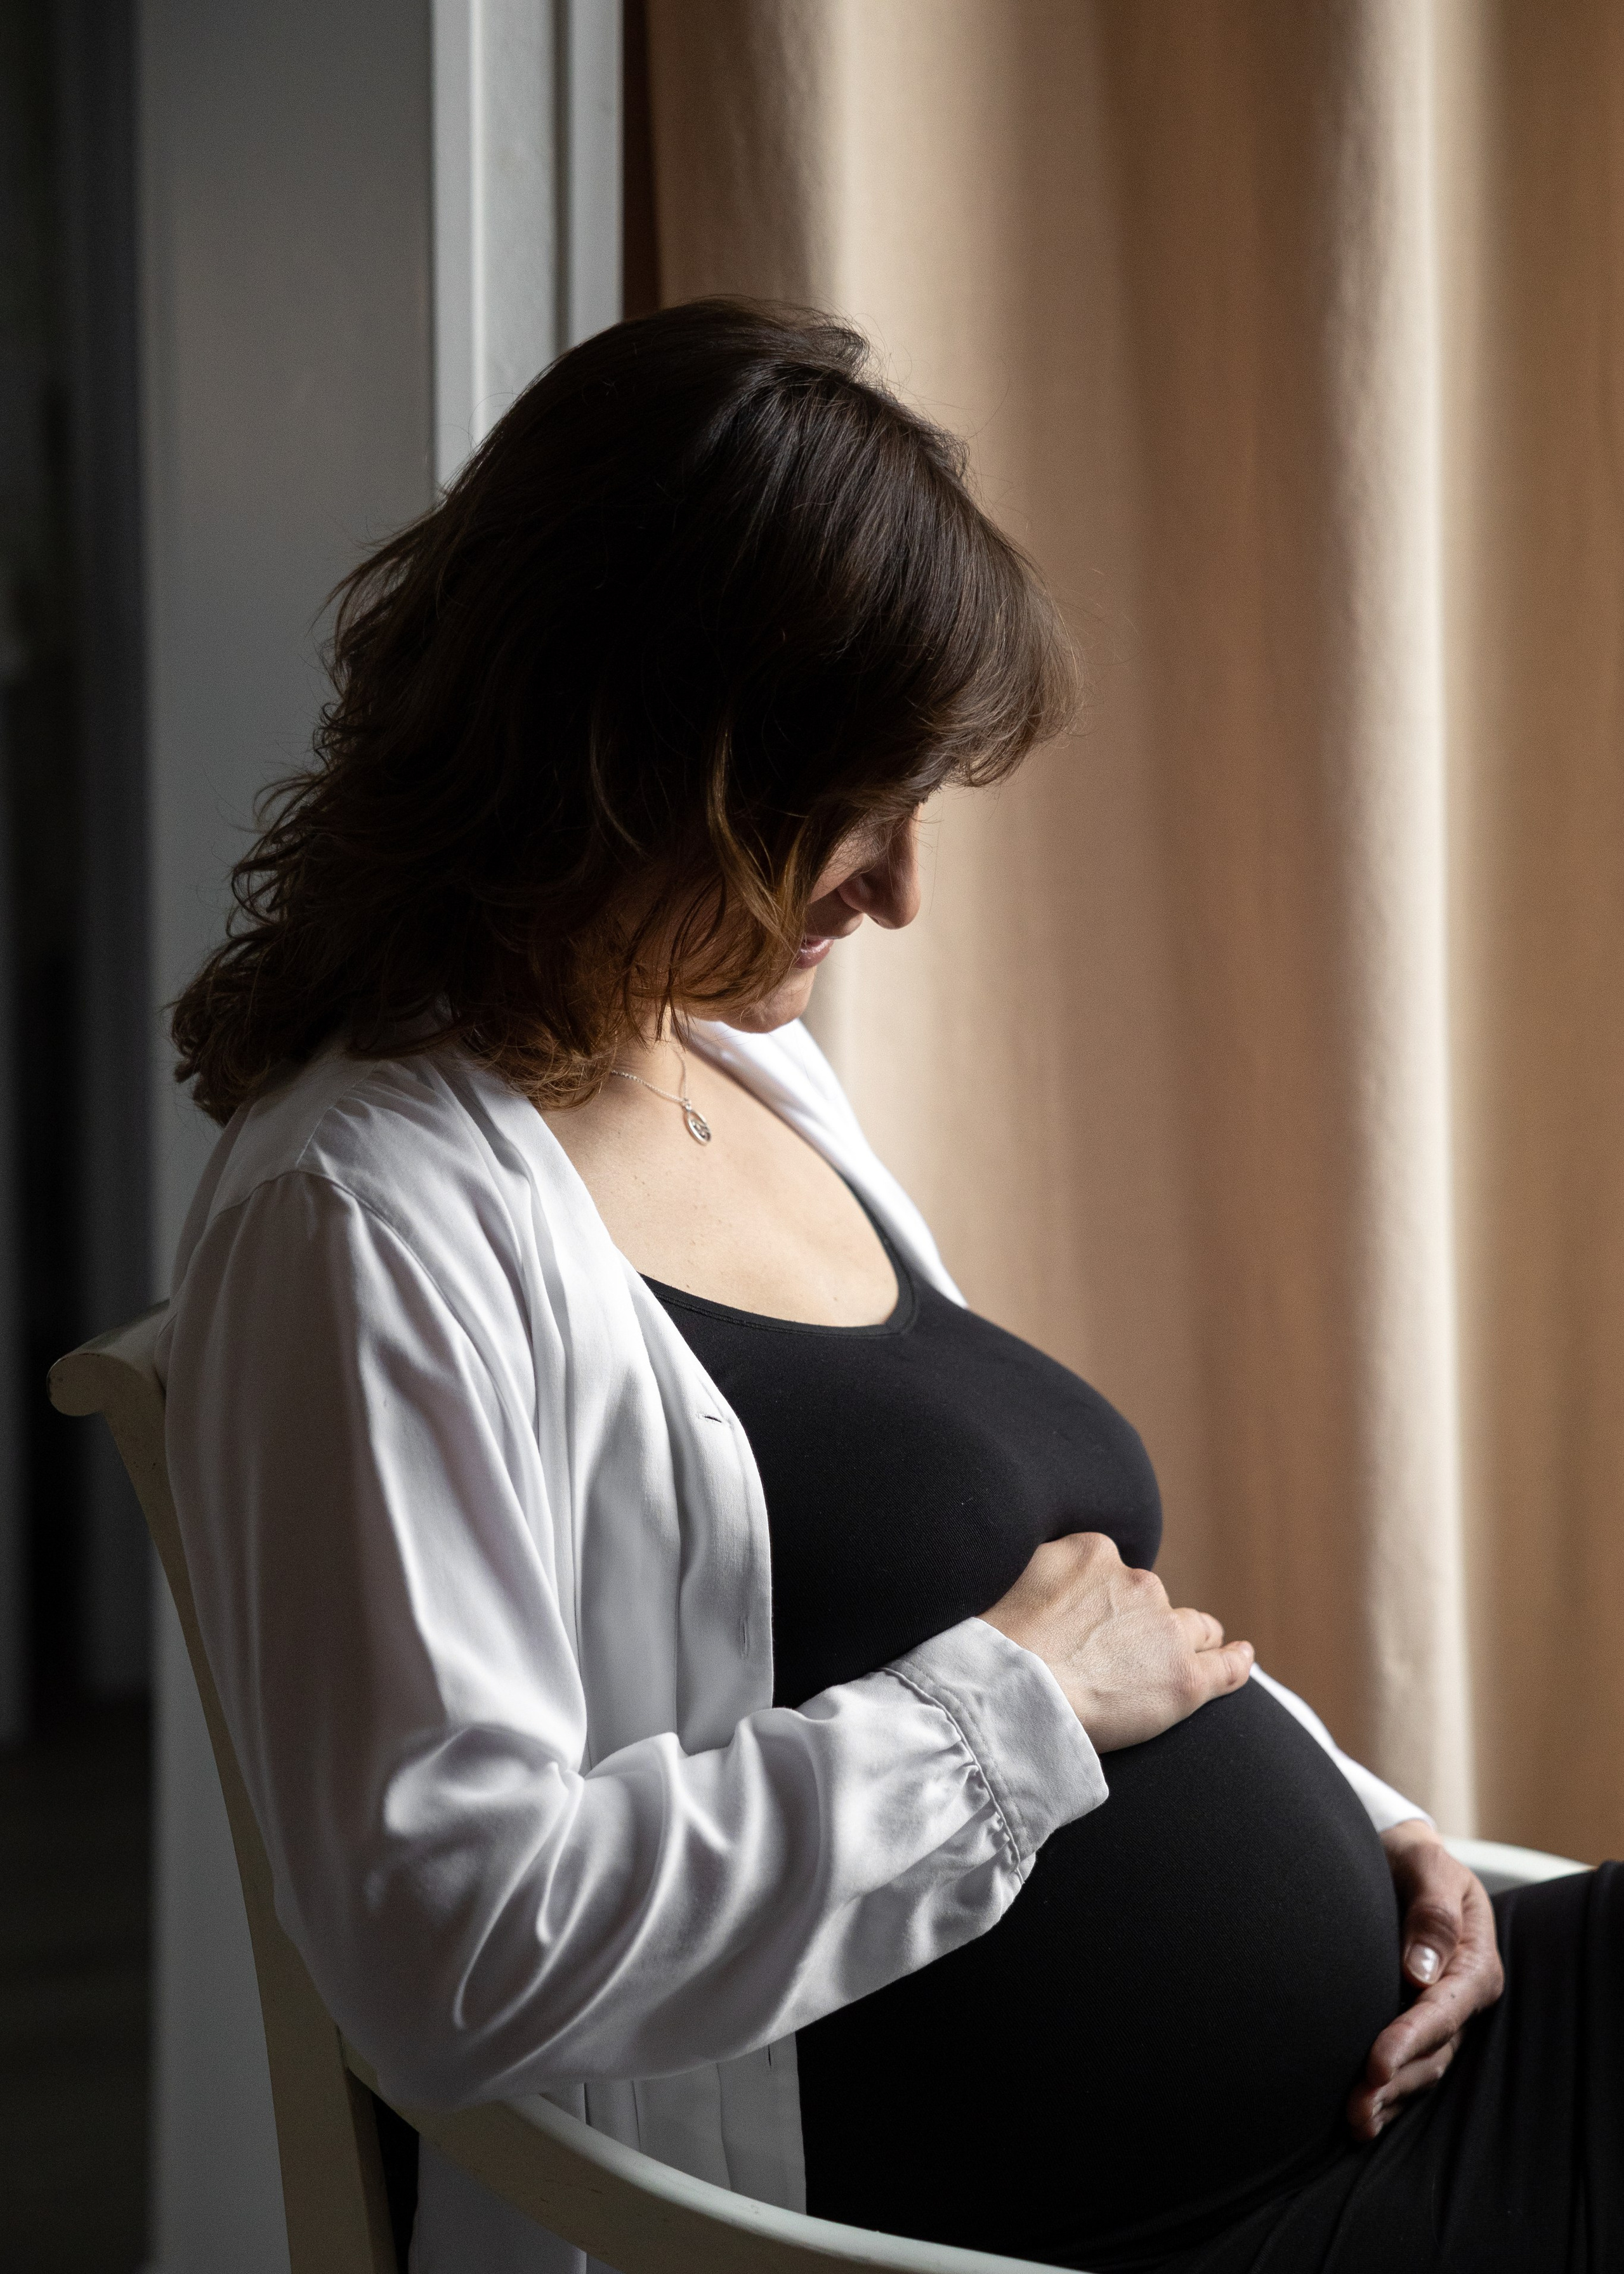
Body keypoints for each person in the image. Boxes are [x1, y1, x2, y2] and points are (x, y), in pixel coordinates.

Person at [160, 301, 1618, 2274]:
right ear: (636, 761)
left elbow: (1069, 1621)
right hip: (1172, 2223)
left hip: (1399, 2059)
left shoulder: (739, 1062)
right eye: (852, 805)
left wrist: (1386, 1839)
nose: (902, 889)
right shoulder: (359, 1219)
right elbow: (457, 1936)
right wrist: (1012, 1711)